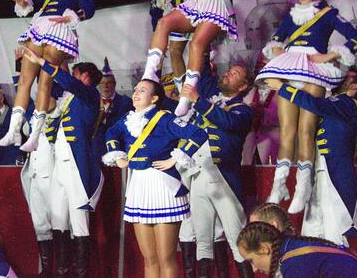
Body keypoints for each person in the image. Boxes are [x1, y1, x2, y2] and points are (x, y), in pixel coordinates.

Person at [256, 0, 357, 213]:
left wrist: (330, 55)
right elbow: (276, 39)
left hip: (313, 71)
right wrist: (276, 50)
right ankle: (279, 186)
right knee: (287, 131)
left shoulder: (328, 14)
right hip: (290, 67)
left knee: (306, 131)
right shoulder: (292, 15)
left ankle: (302, 188)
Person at [157, 58, 255, 278]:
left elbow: (228, 122)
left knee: (237, 239)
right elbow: (200, 64)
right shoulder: (211, 96)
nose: (228, 73)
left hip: (223, 178)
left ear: (243, 86)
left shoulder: (244, 110)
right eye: (228, 70)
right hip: (198, 175)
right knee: (202, 240)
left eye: (235, 73)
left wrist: (198, 100)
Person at [103, 79, 206, 278]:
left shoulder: (165, 119)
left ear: (154, 98)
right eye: (135, 89)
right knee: (149, 259)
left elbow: (198, 133)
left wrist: (175, 159)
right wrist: (117, 156)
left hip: (163, 186)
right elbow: (110, 133)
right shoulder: (128, 119)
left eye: (142, 90)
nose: (136, 93)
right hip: (138, 186)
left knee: (166, 258)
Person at [0, 0, 95, 153]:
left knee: (45, 82)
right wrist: (24, 2)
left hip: (59, 30)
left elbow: (89, 9)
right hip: (41, 27)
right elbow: (37, 3)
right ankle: (14, 130)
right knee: (25, 80)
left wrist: (71, 17)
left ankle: (35, 135)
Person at [264, 68, 357, 246]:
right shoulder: (333, 100)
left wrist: (282, 87)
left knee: (334, 234)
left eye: (347, 76)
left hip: (334, 174)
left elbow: (315, 104)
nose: (340, 75)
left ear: (354, 87)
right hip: (318, 173)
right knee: (312, 234)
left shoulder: (348, 103)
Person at [23, 49, 103, 278]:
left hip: (76, 167)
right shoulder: (68, 98)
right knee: (58, 221)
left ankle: (81, 274)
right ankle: (60, 272)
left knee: (79, 223)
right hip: (59, 164)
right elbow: (47, 89)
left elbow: (67, 82)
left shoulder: (89, 95)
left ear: (85, 77)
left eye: (75, 73)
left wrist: (43, 61)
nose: (71, 78)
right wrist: (32, 65)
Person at [237, 222, 357, 278]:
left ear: (263, 248)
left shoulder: (294, 263)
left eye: (251, 261)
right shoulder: (292, 247)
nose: (254, 269)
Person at [20, 95, 60, 278]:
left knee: (61, 225)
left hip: (53, 178)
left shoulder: (59, 118)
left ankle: (62, 270)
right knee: (40, 225)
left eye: (47, 98)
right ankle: (46, 271)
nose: (42, 102)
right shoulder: (35, 119)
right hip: (34, 177)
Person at [143, 0, 194, 92]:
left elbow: (197, 10)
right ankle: (182, 92)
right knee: (174, 50)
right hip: (179, 17)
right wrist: (159, 42)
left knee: (197, 50)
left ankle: (198, 89)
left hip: (198, 16)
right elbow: (156, 18)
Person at [93, 57, 133, 164]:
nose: (105, 86)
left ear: (114, 84)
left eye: (109, 83)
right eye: (102, 83)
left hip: (119, 149)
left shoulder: (126, 102)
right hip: (97, 150)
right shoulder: (92, 103)